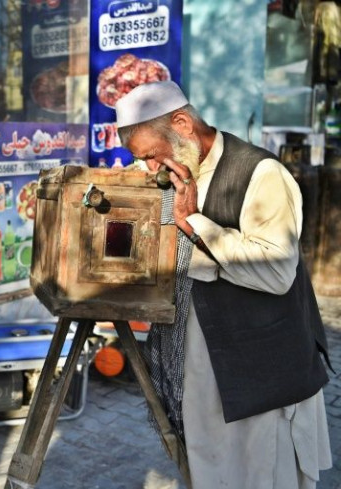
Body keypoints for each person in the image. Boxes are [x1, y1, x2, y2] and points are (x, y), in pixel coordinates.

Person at [114, 81, 332, 489]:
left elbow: (276, 272)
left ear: (182, 124)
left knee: (265, 475)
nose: (149, 169)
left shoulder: (261, 173)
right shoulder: (173, 169)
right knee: (211, 474)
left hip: (261, 371)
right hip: (199, 369)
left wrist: (195, 224)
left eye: (151, 155)